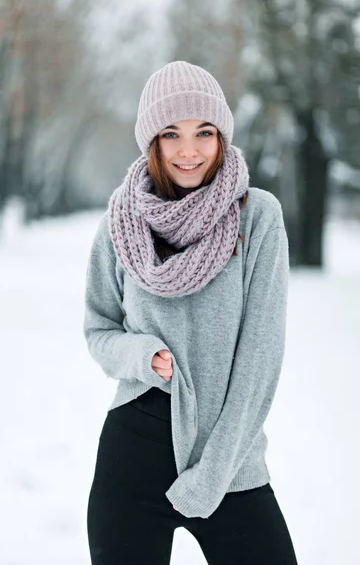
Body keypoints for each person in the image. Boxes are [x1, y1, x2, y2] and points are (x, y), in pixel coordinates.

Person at [83, 60, 299, 564]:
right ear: (152, 143)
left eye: (204, 132)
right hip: (135, 450)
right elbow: (98, 329)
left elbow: (260, 360)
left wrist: (212, 476)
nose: (189, 150)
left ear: (221, 135)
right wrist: (143, 355)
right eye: (170, 134)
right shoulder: (121, 222)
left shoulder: (257, 216)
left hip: (231, 461)